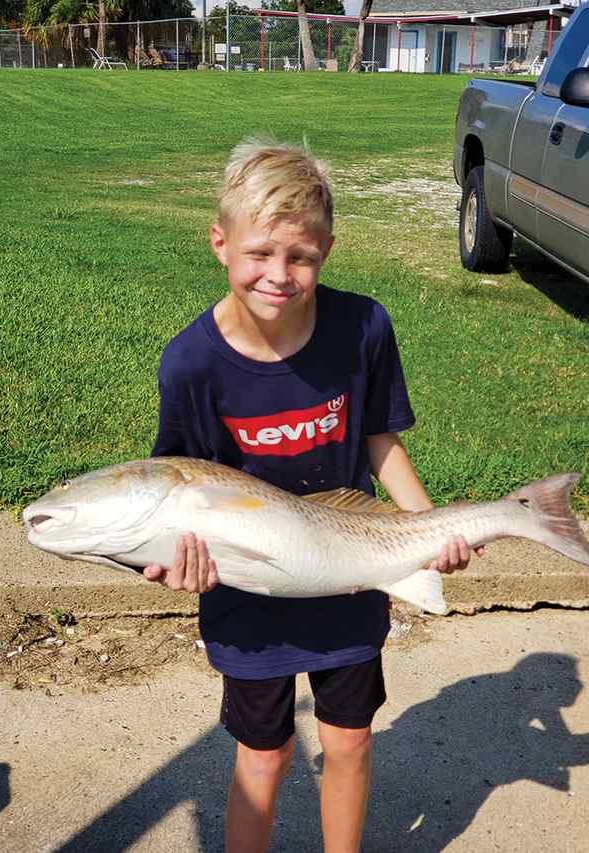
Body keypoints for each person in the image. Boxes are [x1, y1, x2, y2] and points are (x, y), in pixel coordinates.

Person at [144, 138, 482, 853]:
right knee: (263, 756)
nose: (279, 274)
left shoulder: (363, 327)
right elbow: (179, 488)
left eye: (301, 257)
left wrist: (426, 530)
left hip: (349, 572)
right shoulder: (190, 362)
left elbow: (381, 441)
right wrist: (173, 560)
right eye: (260, 252)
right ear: (220, 241)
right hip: (247, 596)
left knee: (351, 743)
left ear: (328, 249)